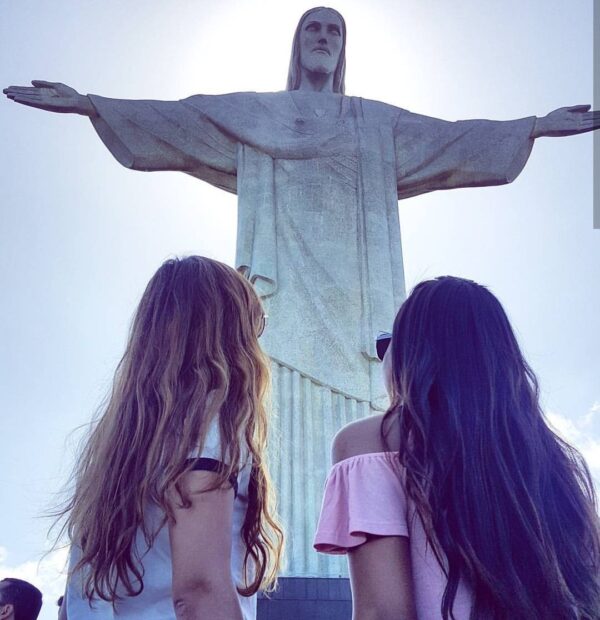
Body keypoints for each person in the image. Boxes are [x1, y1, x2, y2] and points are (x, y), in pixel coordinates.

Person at [4, 7, 600, 575]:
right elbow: (183, 119)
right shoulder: (256, 114)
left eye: (333, 31)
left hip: (358, 299)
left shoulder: (375, 123)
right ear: (297, 43)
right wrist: (90, 105)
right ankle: (281, 561)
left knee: (364, 409)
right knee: (275, 404)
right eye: (312, 28)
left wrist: (535, 128)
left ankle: (352, 560)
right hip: (283, 297)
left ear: (343, 49)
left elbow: (451, 138)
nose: (322, 37)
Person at [314, 276, 600, 619]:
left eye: (387, 343)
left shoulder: (370, 443)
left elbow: (383, 611)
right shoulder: (556, 465)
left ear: (412, 354)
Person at [52, 256, 283, 620]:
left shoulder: (114, 443)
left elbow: (78, 593)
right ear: (231, 332)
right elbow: (199, 589)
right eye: (256, 324)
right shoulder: (209, 422)